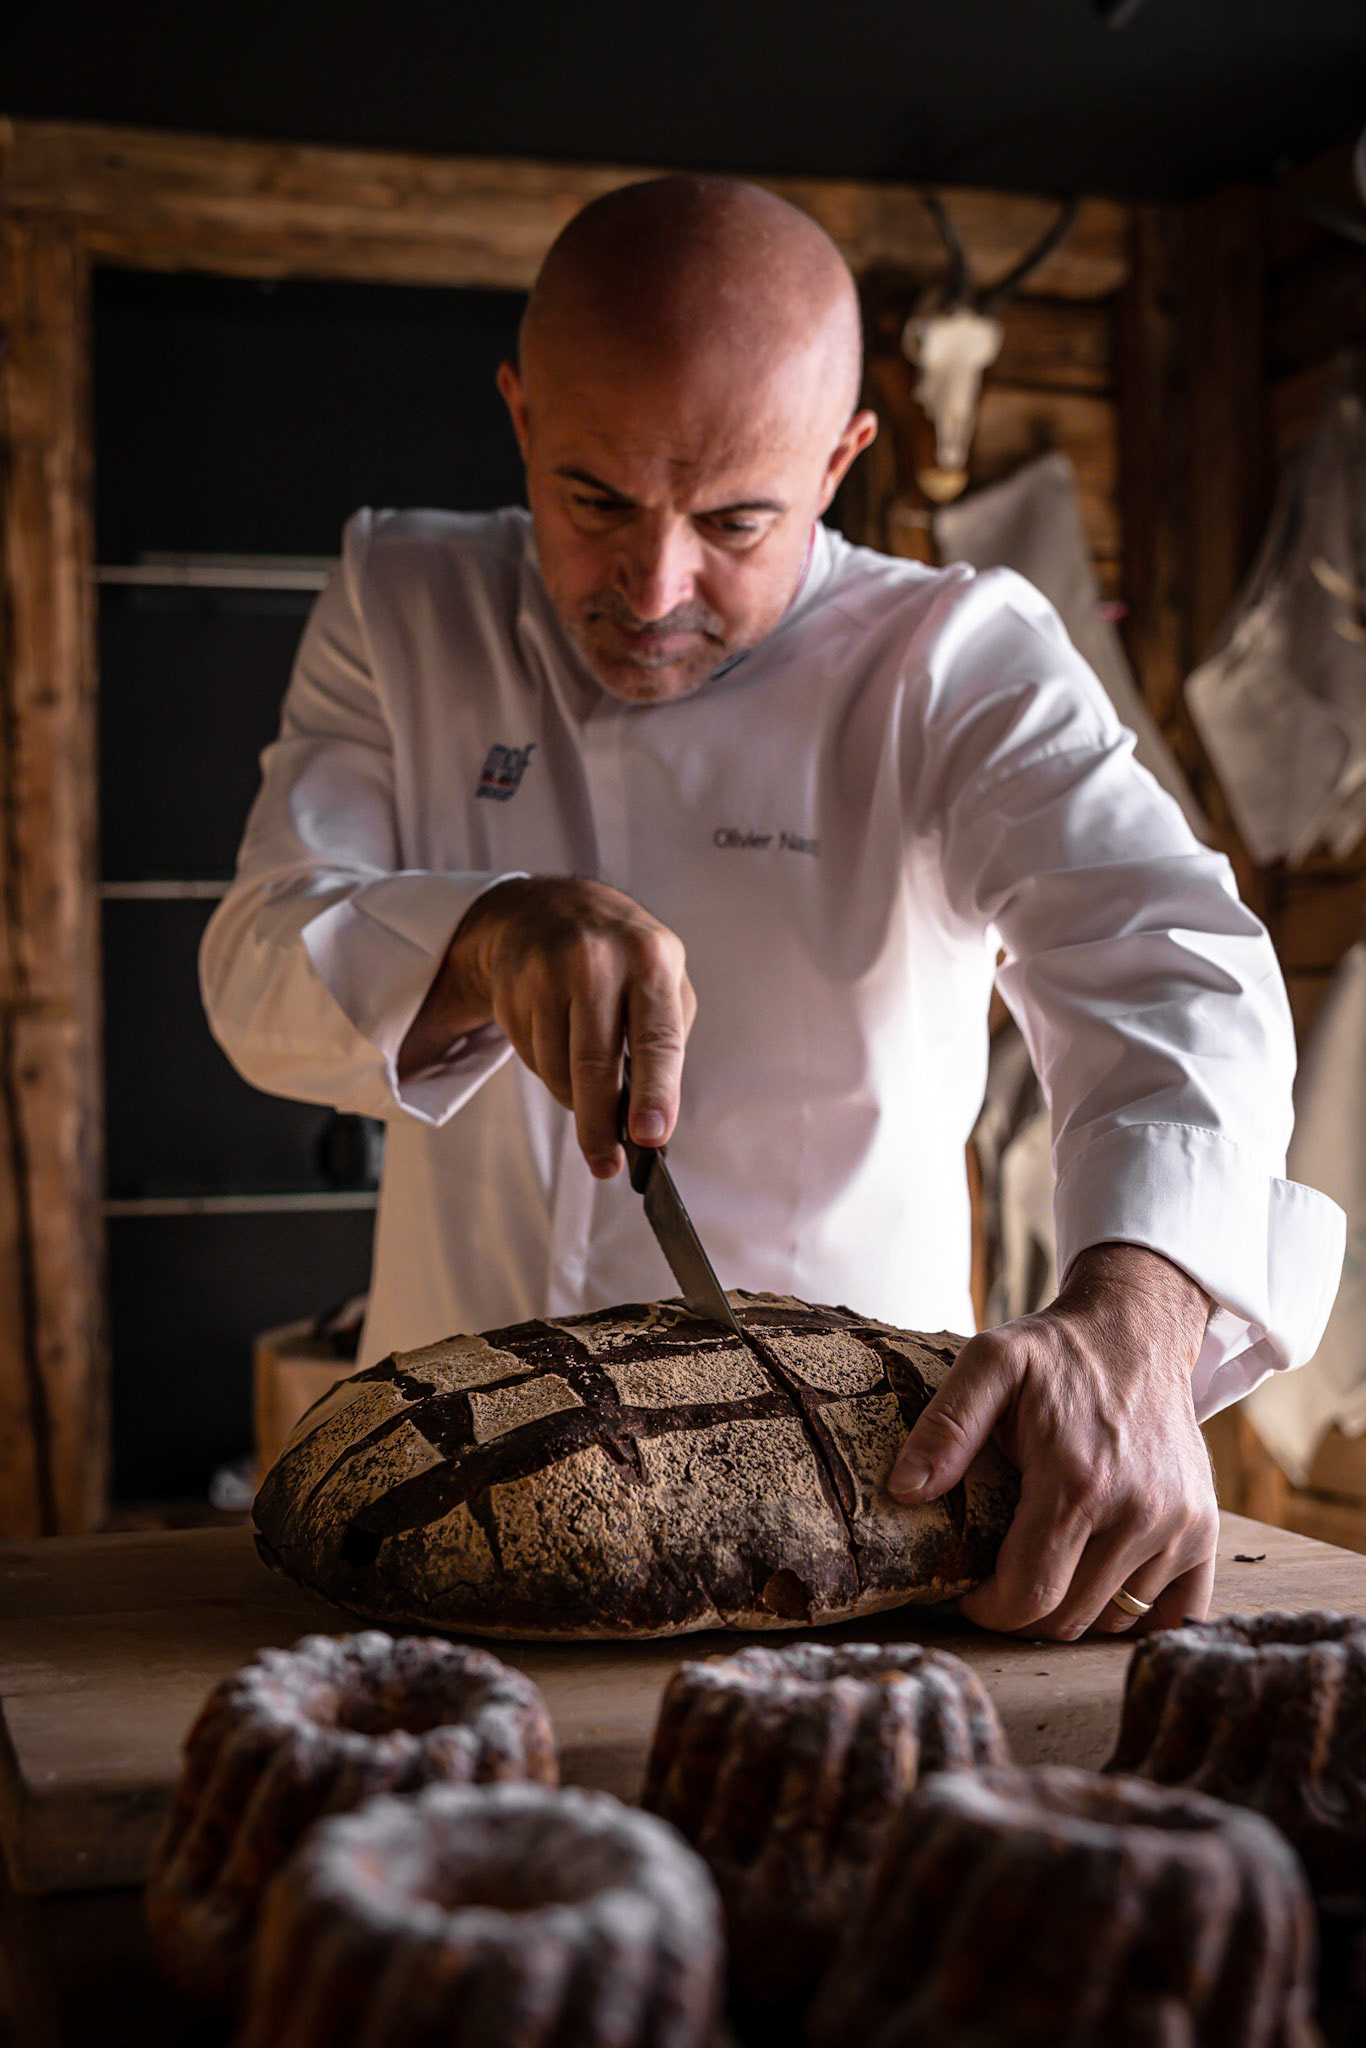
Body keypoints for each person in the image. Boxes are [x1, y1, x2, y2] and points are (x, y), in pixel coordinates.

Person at [202, 175, 1344, 1642]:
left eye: (736, 519)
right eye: (594, 498)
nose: (654, 585)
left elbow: (1161, 954)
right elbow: (255, 965)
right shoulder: (399, 597)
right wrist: (474, 935)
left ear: (840, 459)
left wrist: (1136, 1314)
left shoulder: (956, 656)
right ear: (519, 418)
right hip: (455, 1494)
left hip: (861, 1506)